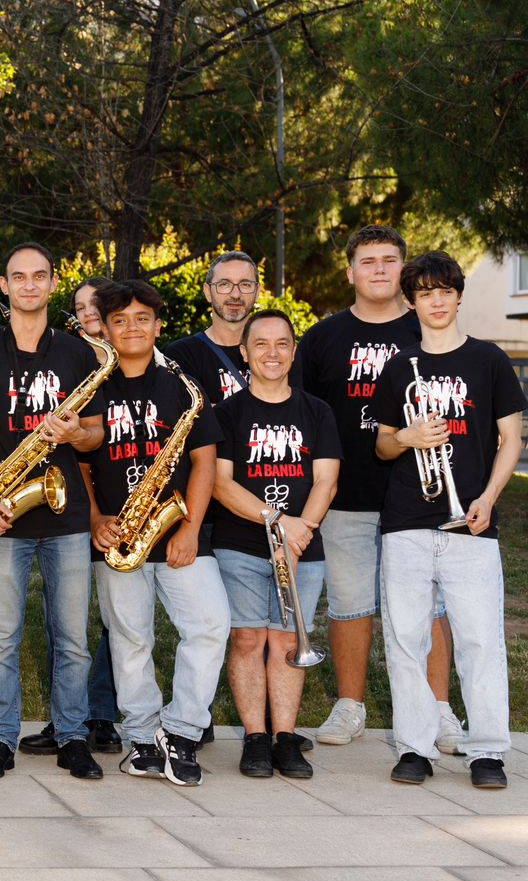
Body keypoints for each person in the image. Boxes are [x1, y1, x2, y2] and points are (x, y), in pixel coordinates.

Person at [295, 224, 459, 750]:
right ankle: (350, 706)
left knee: (430, 608)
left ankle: (439, 710)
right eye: (369, 261)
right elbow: (307, 418)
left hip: (422, 497)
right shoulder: (322, 337)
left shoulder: (427, 330)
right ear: (350, 271)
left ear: (404, 270)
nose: (381, 269)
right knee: (349, 605)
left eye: (391, 260)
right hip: (348, 496)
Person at [0, 242, 106, 780]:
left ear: (54, 282)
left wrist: (76, 431)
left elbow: (97, 435)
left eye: (40, 276)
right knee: (0, 640)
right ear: (3, 287)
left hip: (65, 518)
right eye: (19, 277)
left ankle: (73, 737)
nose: (30, 285)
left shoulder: (80, 353)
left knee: (72, 639)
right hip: (3, 516)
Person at [374, 251, 522, 789]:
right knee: (405, 638)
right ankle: (414, 747)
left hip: (473, 522)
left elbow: (512, 440)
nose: (436, 301)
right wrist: (407, 438)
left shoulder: (488, 360)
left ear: (458, 295)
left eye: (445, 291)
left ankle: (486, 752)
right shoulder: (398, 368)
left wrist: (488, 496)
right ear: (412, 302)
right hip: (408, 521)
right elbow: (383, 445)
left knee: (481, 639)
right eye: (425, 293)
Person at [76, 280, 228, 787]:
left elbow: (204, 463)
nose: (132, 327)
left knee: (209, 627)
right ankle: (142, 739)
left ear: (158, 325)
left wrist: (190, 528)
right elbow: (79, 465)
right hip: (118, 536)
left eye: (142, 318)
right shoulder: (94, 387)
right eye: (121, 320)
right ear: (107, 329)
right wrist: (96, 518)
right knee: (128, 640)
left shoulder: (183, 387)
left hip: (180, 534)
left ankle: (181, 731)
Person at [212, 308, 338, 780]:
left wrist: (300, 530)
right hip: (240, 544)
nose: (271, 352)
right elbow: (222, 485)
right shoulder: (227, 414)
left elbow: (326, 480)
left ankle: (285, 738)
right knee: (247, 639)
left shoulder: (317, 411)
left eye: (281, 343)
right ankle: (254, 739)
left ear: (293, 351)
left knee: (288, 640)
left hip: (302, 545)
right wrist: (277, 521)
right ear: (244, 353)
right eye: (260, 344)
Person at [23, 275, 123, 757]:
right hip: (81, 503)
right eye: (80, 308)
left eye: (96, 308)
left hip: (123, 503)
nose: (87, 316)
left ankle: (97, 713)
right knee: (68, 621)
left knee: (112, 620)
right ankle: (73, 718)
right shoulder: (73, 360)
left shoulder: (132, 360)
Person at [164, 252, 257, 403]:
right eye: (224, 284)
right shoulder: (182, 355)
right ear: (208, 292)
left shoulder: (277, 353)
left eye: (245, 284)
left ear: (257, 292)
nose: (235, 294)